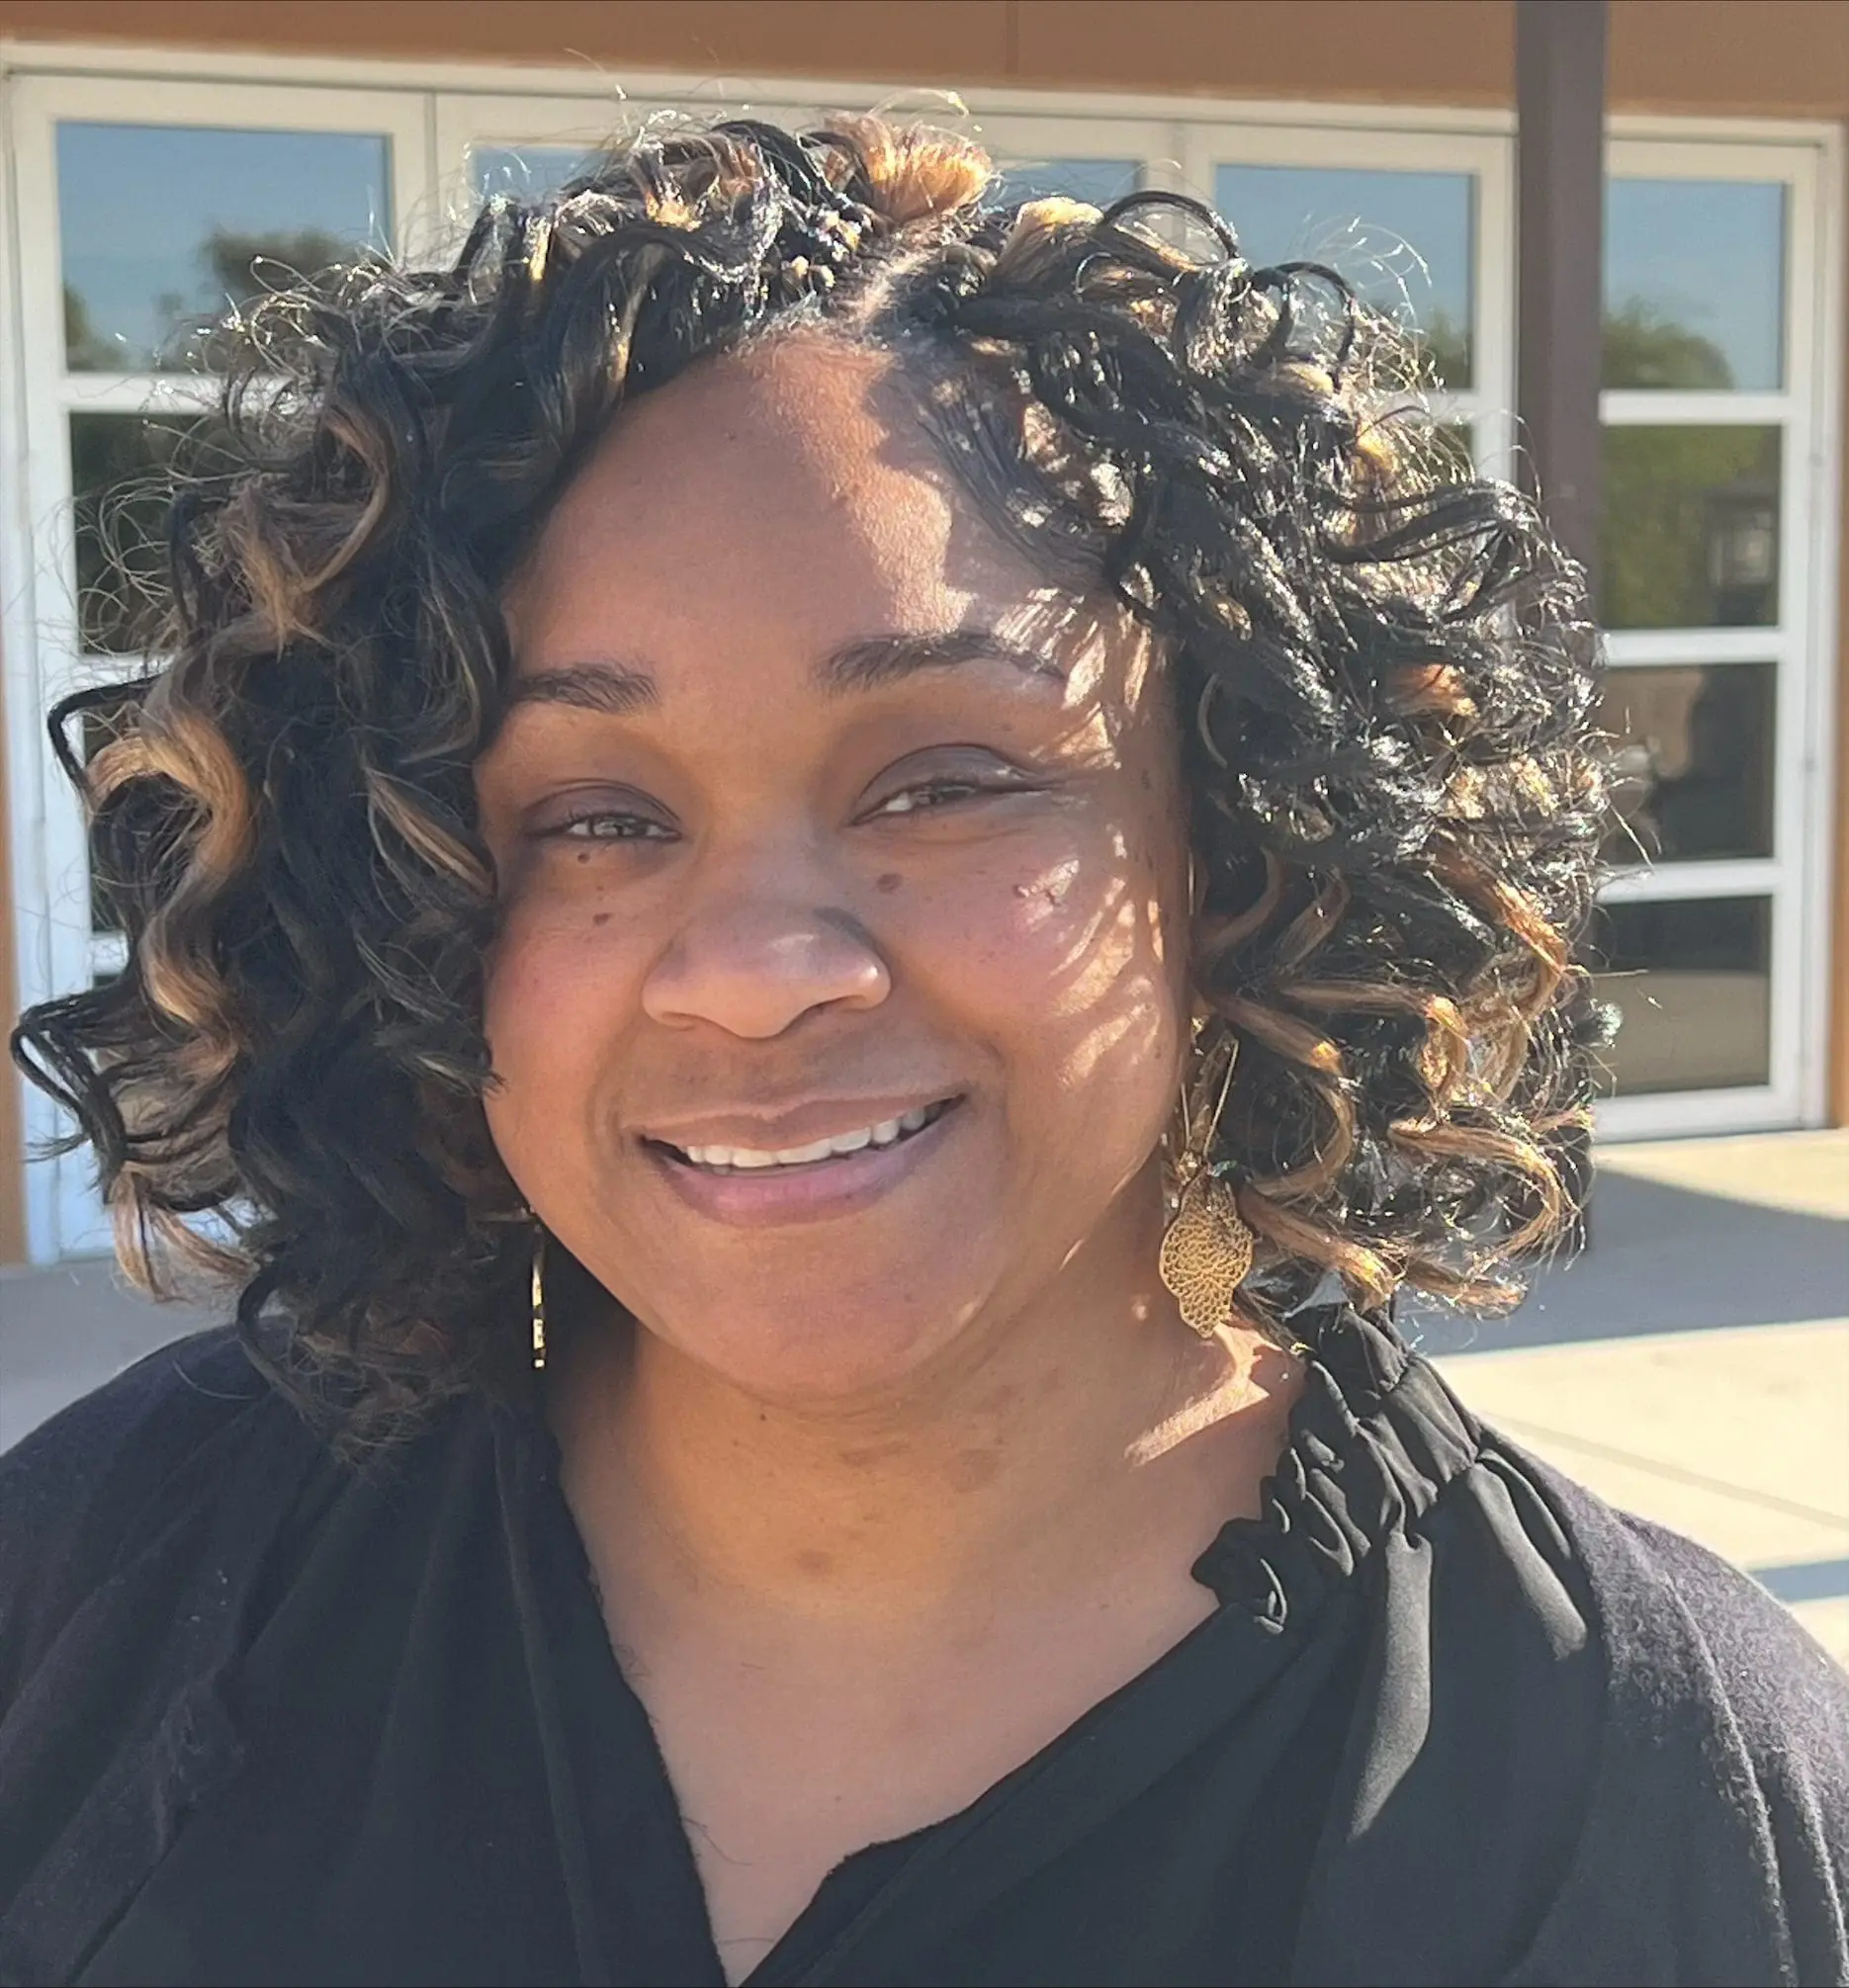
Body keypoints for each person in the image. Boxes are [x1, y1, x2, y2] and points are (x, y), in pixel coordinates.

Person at [3, 116, 1843, 1988]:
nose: (750, 972)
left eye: (944, 782)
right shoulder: (110, 1582)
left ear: (1239, 850)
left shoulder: (1648, 1782)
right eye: (594, 819)